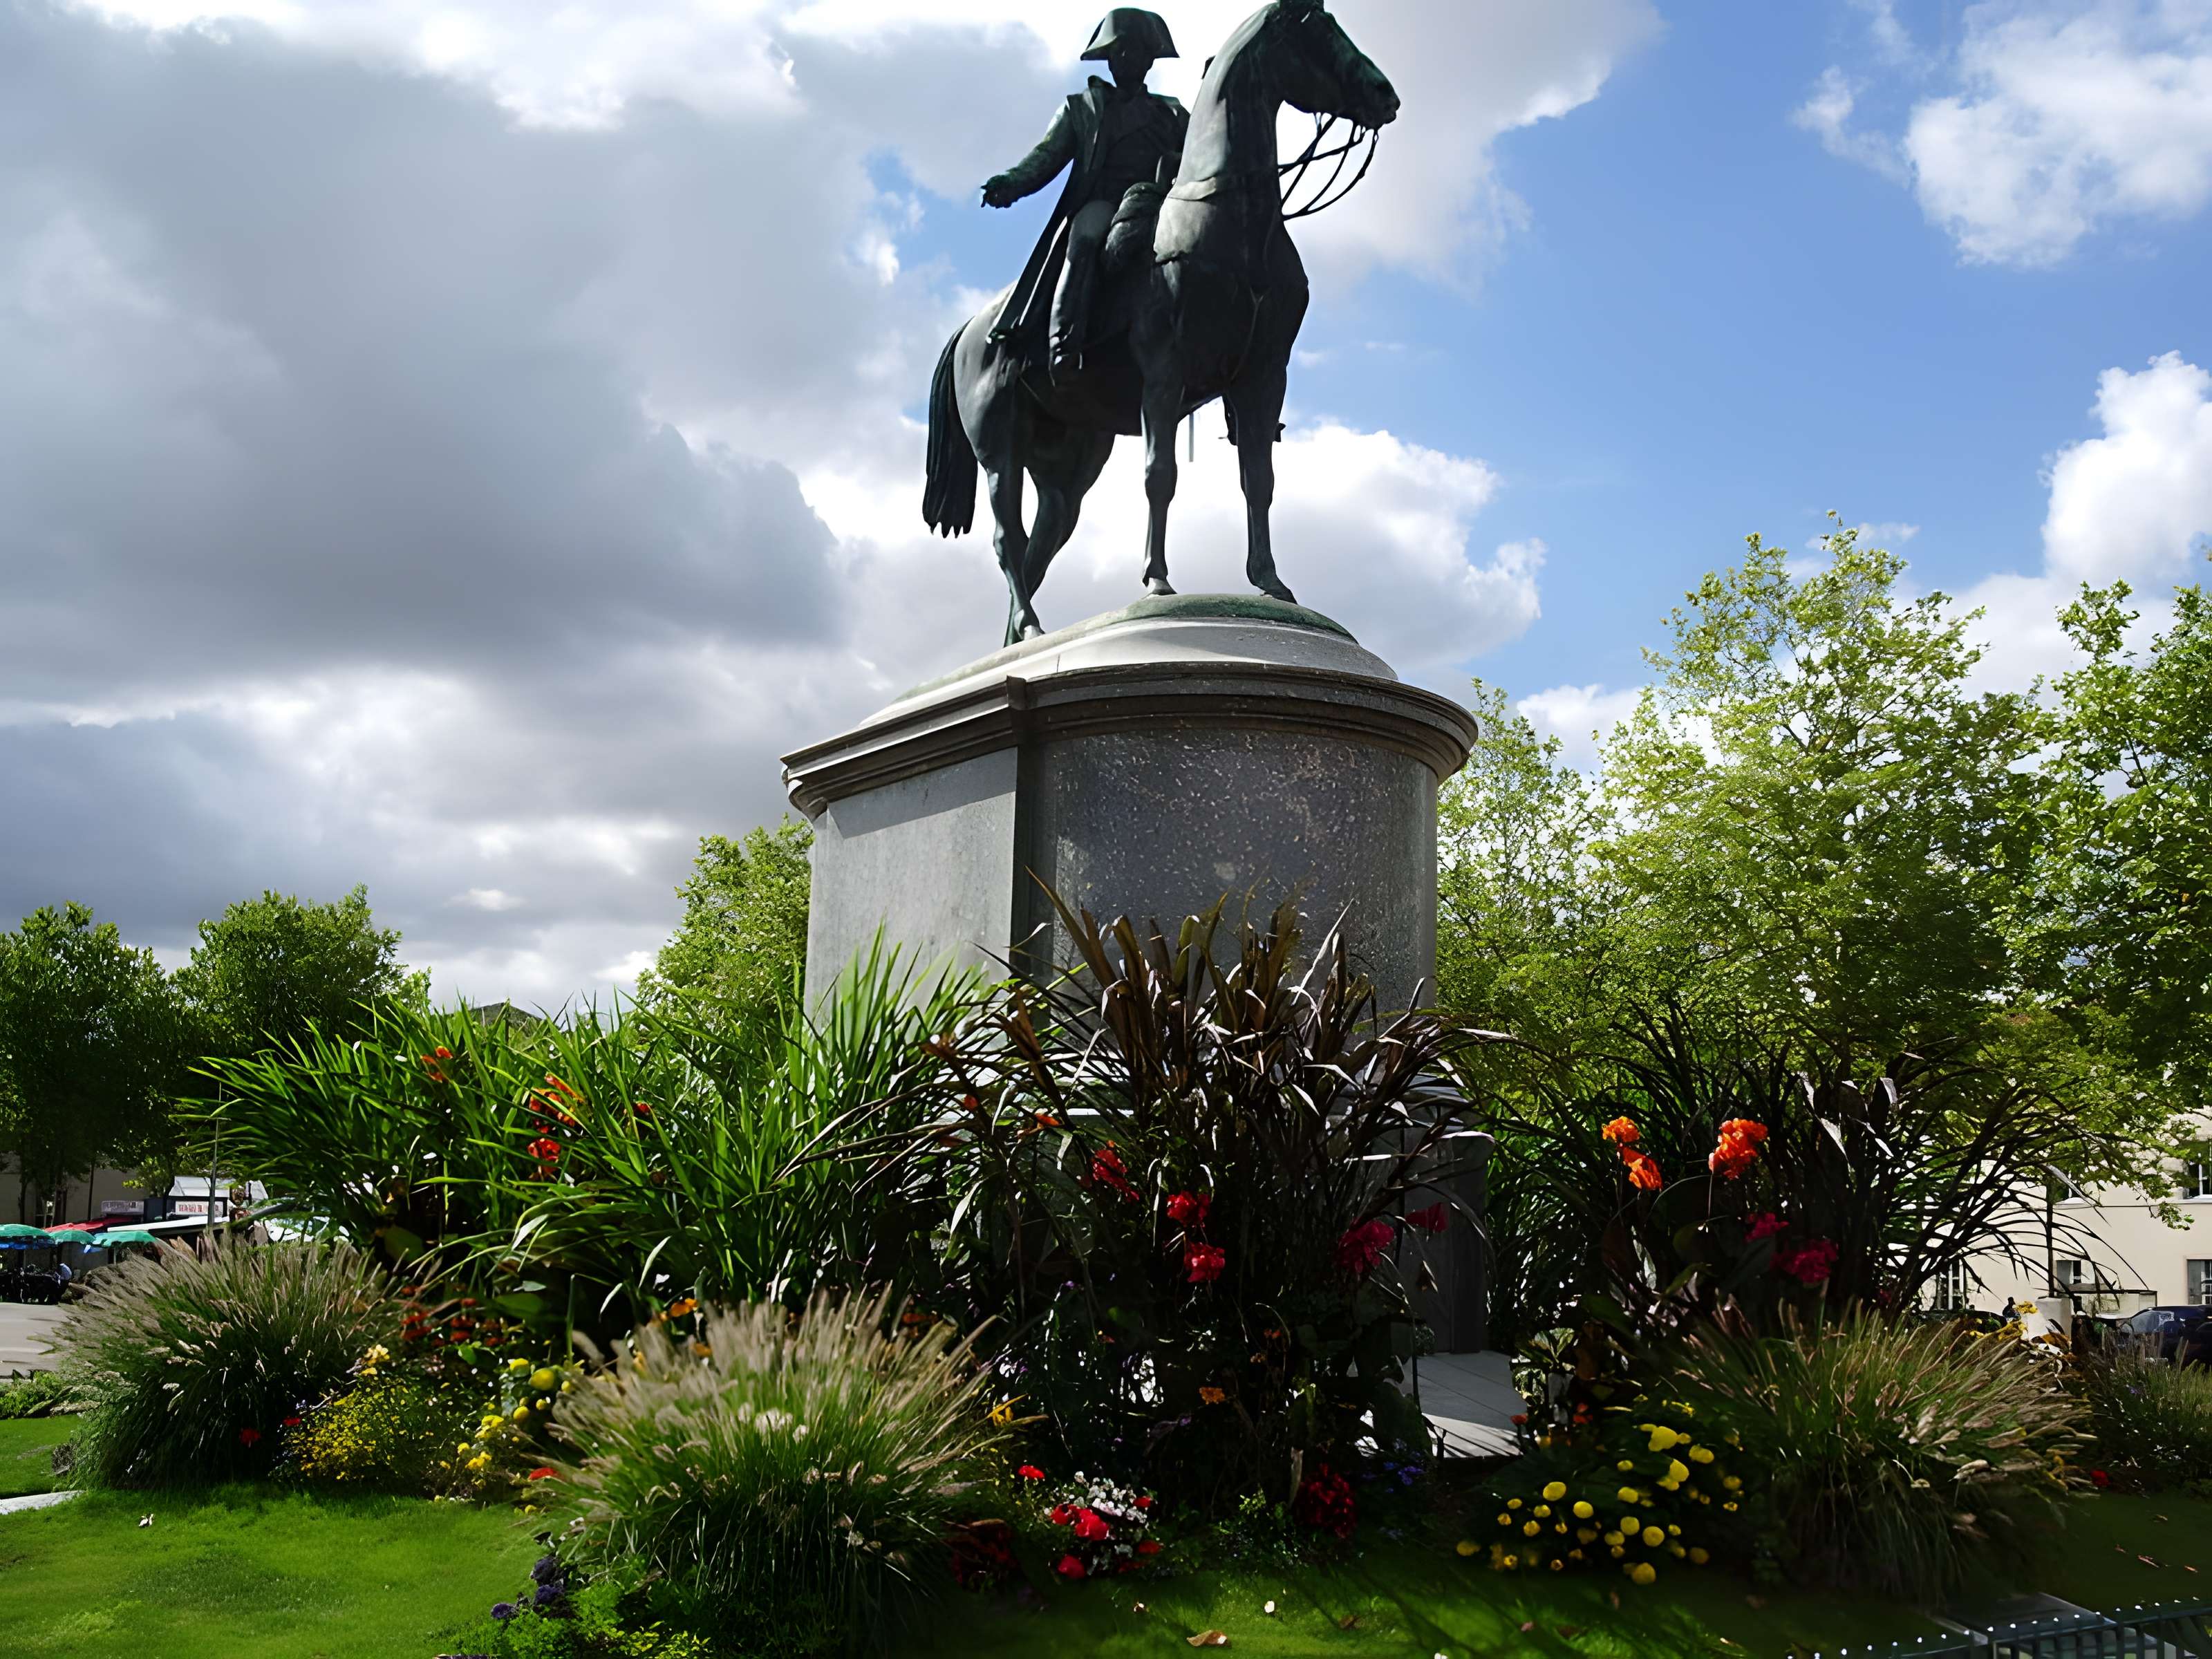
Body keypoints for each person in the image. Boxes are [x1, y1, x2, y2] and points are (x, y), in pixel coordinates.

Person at [982, 9, 1188, 379]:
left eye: (1138, 51)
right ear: (1108, 58)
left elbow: (1203, 158)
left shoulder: (1170, 114)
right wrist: (1011, 183)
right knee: (1087, 237)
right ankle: (1064, 342)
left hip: (1160, 207)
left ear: (1149, 58)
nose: (1129, 59)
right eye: (1121, 51)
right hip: (1105, 203)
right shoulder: (1083, 109)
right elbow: (1046, 156)